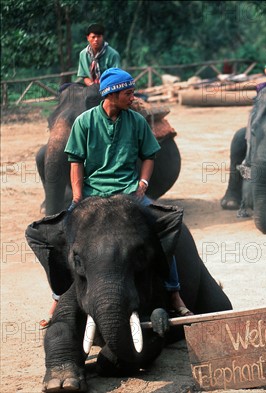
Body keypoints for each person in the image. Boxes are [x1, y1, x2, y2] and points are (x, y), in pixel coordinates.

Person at [61, 68, 191, 318]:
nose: (133, 98)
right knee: (61, 236)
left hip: (128, 192)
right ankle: (61, 298)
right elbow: (75, 162)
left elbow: (149, 156)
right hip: (92, 194)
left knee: (164, 226)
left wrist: (142, 183)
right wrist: (77, 196)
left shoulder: (137, 121)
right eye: (129, 93)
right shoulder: (84, 122)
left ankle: (173, 291)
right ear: (112, 94)